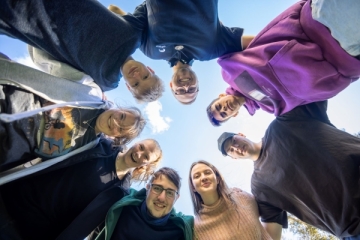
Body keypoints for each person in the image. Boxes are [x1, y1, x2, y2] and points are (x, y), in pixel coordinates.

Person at [216, 101, 360, 240]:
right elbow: (271, 235)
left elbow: (313, 92)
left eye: (234, 141)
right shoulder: (259, 185)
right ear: (234, 158)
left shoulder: (281, 124)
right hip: (353, 227)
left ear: (241, 135)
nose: (236, 147)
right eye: (231, 150)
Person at [206, 0, 360, 126]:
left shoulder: (228, 70)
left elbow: (255, 41)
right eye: (224, 114)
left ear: (220, 96)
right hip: (347, 59)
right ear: (234, 115)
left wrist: (289, 40)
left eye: (219, 106)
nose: (224, 108)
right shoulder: (271, 108)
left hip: (322, 24)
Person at [0, 53, 146, 172]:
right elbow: (54, 60)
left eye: (120, 129)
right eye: (121, 116)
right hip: (11, 101)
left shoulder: (88, 148)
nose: (115, 122)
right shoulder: (92, 94)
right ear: (119, 109)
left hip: (9, 149)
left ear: (117, 137)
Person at [0, 137, 162, 240]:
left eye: (146, 156)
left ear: (146, 165)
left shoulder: (119, 194)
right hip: (9, 198)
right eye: (141, 146)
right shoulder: (100, 144)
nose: (139, 153)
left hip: (29, 233)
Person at [0, 0, 164, 102]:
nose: (136, 75)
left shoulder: (105, 82)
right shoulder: (135, 36)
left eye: (136, 84)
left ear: (128, 87)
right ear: (150, 69)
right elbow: (157, 7)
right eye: (145, 76)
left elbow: (71, 85)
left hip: (19, 19)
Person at [108, 1, 253, 104]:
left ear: (172, 85)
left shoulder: (150, 51)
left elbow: (118, 15)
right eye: (192, 89)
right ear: (198, 83)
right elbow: (260, 41)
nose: (185, 87)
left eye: (181, 91)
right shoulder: (212, 50)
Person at [95, 167, 193, 240]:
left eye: (170, 193)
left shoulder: (181, 229)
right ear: (147, 188)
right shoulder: (124, 204)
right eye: (157, 188)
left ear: (176, 198)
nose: (161, 198)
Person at [189, 160, 271, 240]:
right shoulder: (196, 228)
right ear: (193, 187)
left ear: (217, 179)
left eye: (207, 172)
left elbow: (270, 207)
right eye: (197, 176)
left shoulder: (241, 197)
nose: (203, 178)